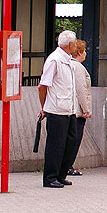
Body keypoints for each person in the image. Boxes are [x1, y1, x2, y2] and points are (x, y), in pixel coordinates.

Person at [38, 30, 80, 188]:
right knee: (56, 144)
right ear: (70, 44)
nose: (76, 45)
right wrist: (44, 107)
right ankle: (50, 177)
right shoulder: (54, 60)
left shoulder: (68, 60)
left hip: (68, 109)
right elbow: (42, 86)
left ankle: (61, 174)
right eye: (75, 43)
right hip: (56, 109)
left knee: (70, 142)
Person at [68, 39, 92, 177]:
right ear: (79, 52)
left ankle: (67, 165)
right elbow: (81, 89)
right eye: (84, 51)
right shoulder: (78, 67)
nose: (86, 53)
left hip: (72, 108)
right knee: (75, 138)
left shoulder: (70, 65)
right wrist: (86, 108)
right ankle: (68, 165)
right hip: (78, 110)